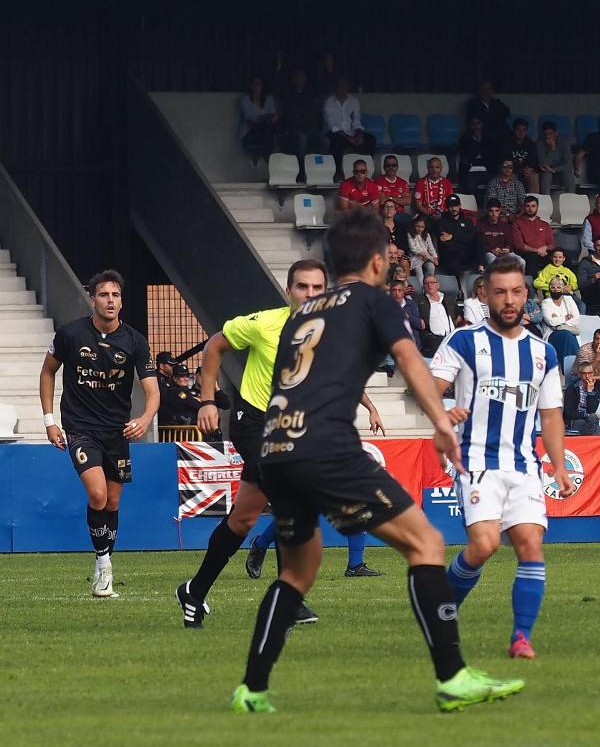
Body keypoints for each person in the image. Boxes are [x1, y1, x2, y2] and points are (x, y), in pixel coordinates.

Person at [227, 211, 523, 715]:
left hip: (276, 448)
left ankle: (251, 689)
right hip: (326, 446)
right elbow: (410, 360)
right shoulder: (373, 300)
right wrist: (442, 424)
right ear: (378, 261)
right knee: (426, 543)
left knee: (299, 571)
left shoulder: (304, 312)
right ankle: (453, 677)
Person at [185, 260, 385, 628]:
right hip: (254, 423)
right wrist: (207, 400)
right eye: (302, 287)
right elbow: (215, 346)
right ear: (289, 290)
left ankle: (194, 592)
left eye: (316, 288)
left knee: (243, 520)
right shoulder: (264, 324)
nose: (309, 294)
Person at [432, 252, 574, 664]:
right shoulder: (464, 340)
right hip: (476, 463)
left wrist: (559, 465)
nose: (508, 300)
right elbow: (432, 385)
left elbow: (550, 415)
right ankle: (445, 607)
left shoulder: (542, 351)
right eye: (499, 293)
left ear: (525, 294)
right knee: (484, 545)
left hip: (524, 465)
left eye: (515, 292)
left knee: (531, 544)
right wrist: (443, 411)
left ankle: (520, 637)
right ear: (485, 296)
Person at [39, 270, 160, 598]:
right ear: (92, 298)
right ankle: (103, 565)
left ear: (121, 301)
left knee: (113, 501)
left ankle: (104, 559)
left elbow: (152, 389)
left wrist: (146, 417)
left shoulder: (135, 341)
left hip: (116, 431)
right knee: (97, 496)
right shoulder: (70, 334)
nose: (110, 301)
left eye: (116, 295)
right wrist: (50, 420)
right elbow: (48, 371)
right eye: (104, 295)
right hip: (80, 428)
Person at [322, 77, 375, 179]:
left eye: (344, 86)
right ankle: (338, 172)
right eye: (340, 86)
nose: (342, 89)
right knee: (337, 142)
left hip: (351, 133)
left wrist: (359, 135)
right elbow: (332, 125)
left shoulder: (353, 101)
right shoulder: (328, 102)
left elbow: (356, 120)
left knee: (371, 140)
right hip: (335, 134)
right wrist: (348, 138)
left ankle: (366, 170)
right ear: (336, 88)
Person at [434, 195, 481, 276]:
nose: (453, 209)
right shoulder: (441, 223)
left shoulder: (467, 221)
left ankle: (481, 268)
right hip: (451, 257)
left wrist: (453, 236)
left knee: (480, 240)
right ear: (447, 207)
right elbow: (447, 244)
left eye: (456, 205)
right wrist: (463, 239)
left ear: (460, 206)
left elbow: (471, 237)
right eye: (451, 206)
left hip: (468, 255)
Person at [417, 273, 462, 356]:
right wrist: (418, 318)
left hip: (452, 337)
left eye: (432, 283)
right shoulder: (420, 301)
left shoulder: (448, 299)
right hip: (434, 340)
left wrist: (459, 317)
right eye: (426, 283)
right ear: (424, 287)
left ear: (437, 285)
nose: (429, 285)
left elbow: (458, 310)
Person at [238, 74, 278, 165]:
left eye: (259, 84)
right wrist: (266, 117)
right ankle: (265, 156)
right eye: (255, 84)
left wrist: (267, 118)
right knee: (266, 129)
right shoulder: (245, 100)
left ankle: (264, 155)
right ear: (251, 86)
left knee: (270, 129)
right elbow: (250, 118)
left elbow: (274, 116)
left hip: (266, 129)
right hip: (251, 131)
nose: (257, 87)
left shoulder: (268, 98)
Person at [541, 276, 581, 361]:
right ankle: (577, 365)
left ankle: (572, 368)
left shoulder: (569, 299)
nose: (555, 290)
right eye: (553, 287)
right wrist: (566, 317)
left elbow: (577, 319)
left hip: (569, 333)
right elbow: (551, 321)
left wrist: (559, 323)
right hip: (551, 336)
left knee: (567, 334)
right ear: (549, 289)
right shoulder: (546, 302)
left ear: (563, 288)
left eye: (558, 287)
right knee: (566, 335)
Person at [457, 115, 495, 195]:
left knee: (495, 185)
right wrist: (477, 142)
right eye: (473, 123)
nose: (476, 126)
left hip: (486, 171)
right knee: (470, 187)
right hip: (470, 171)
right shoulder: (464, 139)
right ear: (470, 125)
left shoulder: (488, 139)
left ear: (482, 124)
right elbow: (469, 156)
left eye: (478, 123)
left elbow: (488, 157)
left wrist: (479, 142)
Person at [564, 361, 600, 435]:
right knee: (597, 429)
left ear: (593, 373)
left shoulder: (596, 390)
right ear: (580, 374)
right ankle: (593, 444)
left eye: (590, 373)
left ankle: (589, 444)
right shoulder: (572, 389)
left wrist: (590, 392)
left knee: (594, 422)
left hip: (591, 420)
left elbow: (592, 410)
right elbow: (568, 413)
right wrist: (586, 415)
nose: (587, 376)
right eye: (585, 373)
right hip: (575, 420)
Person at [536, 120, 574, 196]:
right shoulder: (539, 143)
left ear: (556, 133)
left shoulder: (564, 143)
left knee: (568, 175)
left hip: (560, 172)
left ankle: (571, 200)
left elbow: (569, 165)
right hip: (547, 173)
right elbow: (543, 165)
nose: (548, 136)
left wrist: (554, 170)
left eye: (550, 134)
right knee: (546, 174)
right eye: (545, 134)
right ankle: (546, 202)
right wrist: (551, 149)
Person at [504, 118, 540, 193]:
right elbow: (504, 161)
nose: (521, 132)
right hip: (511, 171)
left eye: (524, 130)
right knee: (510, 176)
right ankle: (512, 203)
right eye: (518, 129)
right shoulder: (506, 142)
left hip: (525, 171)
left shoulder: (530, 144)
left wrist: (530, 169)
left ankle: (532, 202)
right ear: (514, 130)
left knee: (534, 176)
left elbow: (533, 162)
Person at [477, 199, 514, 265]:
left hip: (503, 252)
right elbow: (479, 244)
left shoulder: (505, 225)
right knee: (494, 262)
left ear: (500, 211)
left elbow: (510, 241)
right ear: (487, 211)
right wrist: (491, 250)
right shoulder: (480, 225)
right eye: (491, 211)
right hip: (489, 252)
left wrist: (507, 249)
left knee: (521, 262)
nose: (494, 214)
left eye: (496, 211)